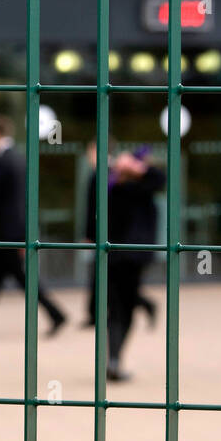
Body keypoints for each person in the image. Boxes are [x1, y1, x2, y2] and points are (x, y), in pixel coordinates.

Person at [0, 115, 67, 335]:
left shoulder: (2, 161)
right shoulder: (20, 158)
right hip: (15, 230)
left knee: (17, 279)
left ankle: (56, 313)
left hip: (8, 232)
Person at [84, 141, 165, 381]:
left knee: (120, 307)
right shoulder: (116, 187)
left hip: (125, 257)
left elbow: (160, 178)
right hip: (122, 256)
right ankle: (115, 359)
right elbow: (93, 211)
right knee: (122, 308)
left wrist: (134, 167)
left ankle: (114, 359)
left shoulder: (137, 188)